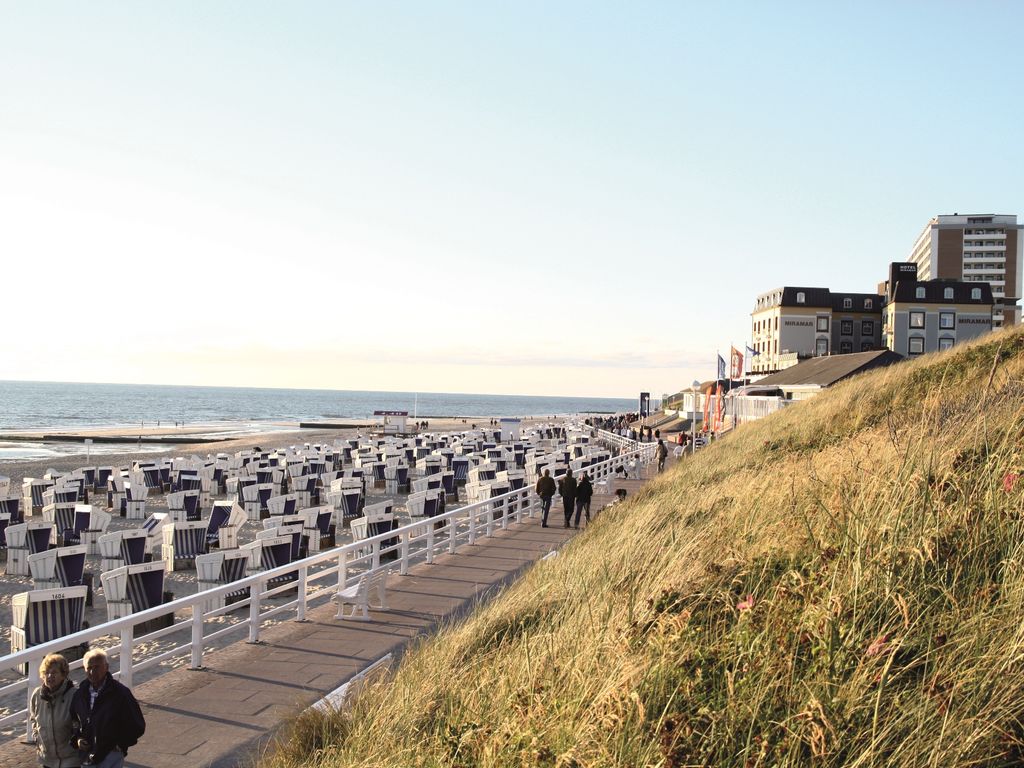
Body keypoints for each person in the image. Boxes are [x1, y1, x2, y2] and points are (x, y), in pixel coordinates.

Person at [71, 649, 145, 768]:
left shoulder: (120, 693)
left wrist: (121, 744)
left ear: (106, 667)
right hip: (87, 753)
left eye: (97, 667)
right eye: (89, 667)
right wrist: (77, 738)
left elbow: (137, 724)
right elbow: (74, 720)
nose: (92, 671)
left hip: (111, 754)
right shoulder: (80, 694)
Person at [30, 653, 80, 768]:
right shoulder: (37, 695)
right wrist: (36, 736)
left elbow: (82, 724)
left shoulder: (74, 695)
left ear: (63, 675)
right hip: (46, 759)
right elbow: (33, 719)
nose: (49, 676)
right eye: (46, 672)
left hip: (70, 760)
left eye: (54, 672)